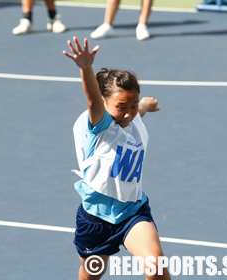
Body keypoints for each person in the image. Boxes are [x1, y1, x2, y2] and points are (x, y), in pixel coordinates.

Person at [63, 37, 170, 280]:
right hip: (96, 218)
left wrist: (144, 105)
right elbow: (92, 98)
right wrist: (85, 68)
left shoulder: (132, 116)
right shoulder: (99, 126)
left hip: (132, 211)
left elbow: (136, 111)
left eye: (132, 105)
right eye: (121, 106)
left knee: (155, 264)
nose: (128, 113)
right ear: (104, 102)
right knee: (92, 274)